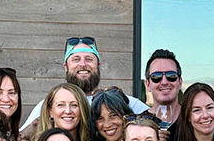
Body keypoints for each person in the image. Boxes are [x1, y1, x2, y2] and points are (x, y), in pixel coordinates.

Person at [20, 36, 148, 131]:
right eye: (76, 59)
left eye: (89, 59)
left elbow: (157, 127)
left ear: (98, 65)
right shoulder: (49, 105)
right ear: (65, 66)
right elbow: (22, 137)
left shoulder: (126, 102)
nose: (82, 64)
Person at [144, 49, 183, 141]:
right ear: (147, 84)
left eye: (171, 76)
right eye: (156, 77)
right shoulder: (139, 124)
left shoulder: (193, 118)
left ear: (180, 82)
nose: (164, 82)